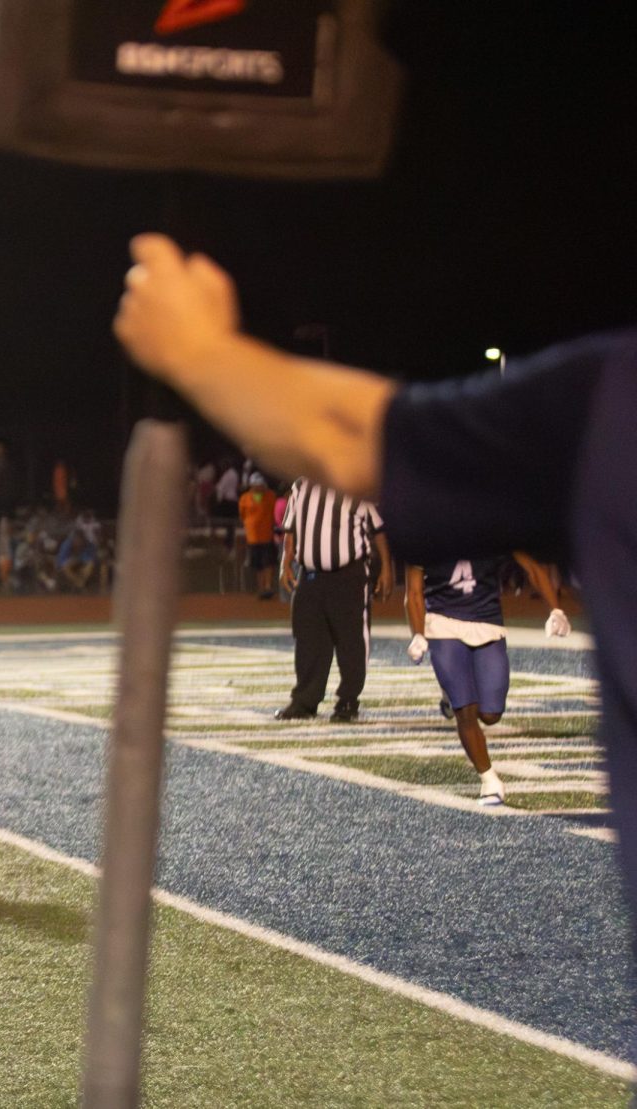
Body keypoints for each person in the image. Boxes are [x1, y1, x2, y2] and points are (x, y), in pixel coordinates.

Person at [112, 232, 637, 997]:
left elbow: (353, 432)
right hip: (414, 605)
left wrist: (201, 350)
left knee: (470, 693)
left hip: (450, 598)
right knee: (452, 695)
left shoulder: (614, 398)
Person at [405, 553, 571, 804]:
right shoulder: (426, 529)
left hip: (487, 621)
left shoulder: (491, 525)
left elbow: (533, 568)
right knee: (466, 709)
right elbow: (414, 592)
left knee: (491, 714)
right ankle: (489, 779)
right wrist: (418, 634)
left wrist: (555, 609)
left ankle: (451, 694)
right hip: (442, 623)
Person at [277, 478, 393, 722]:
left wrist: (386, 569)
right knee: (308, 639)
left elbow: (378, 529)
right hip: (310, 575)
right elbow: (290, 528)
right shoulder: (300, 486)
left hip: (348, 574)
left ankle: (348, 701)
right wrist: (285, 563)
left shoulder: (355, 486)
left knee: (351, 641)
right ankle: (305, 701)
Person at [237, 471, 278, 599]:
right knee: (258, 564)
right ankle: (261, 588)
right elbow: (242, 515)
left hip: (267, 536)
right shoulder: (245, 498)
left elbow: (275, 512)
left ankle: (268, 587)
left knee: (268, 563)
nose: (258, 488)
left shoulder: (271, 496)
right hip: (253, 538)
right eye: (256, 486)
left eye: (260, 485)